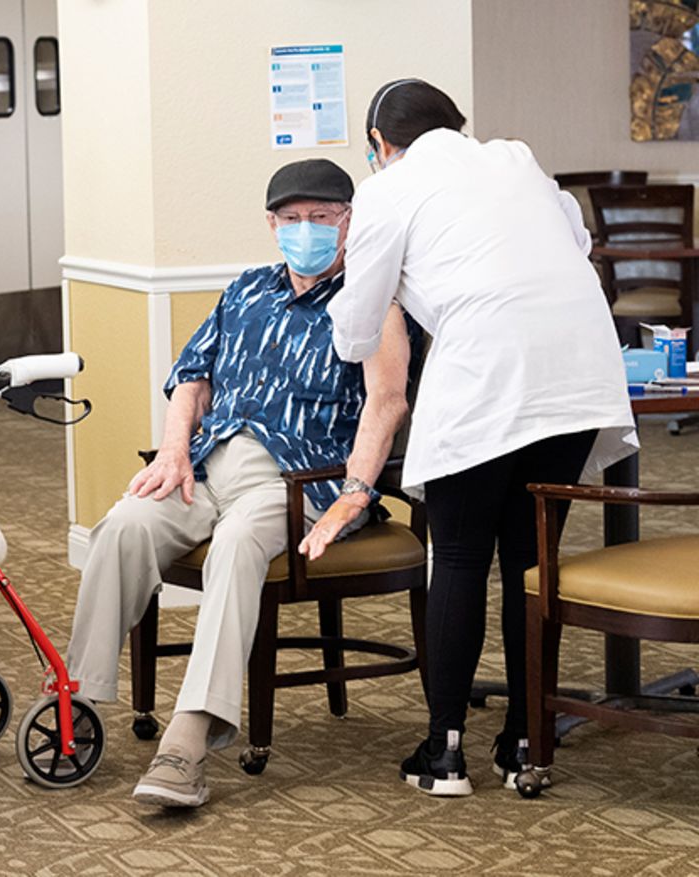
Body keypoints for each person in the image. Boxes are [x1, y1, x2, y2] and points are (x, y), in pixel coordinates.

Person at [313, 79, 636, 797]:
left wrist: (397, 295)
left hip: (488, 377)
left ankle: (445, 752)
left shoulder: (390, 192)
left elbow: (354, 329)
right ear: (458, 125)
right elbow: (575, 243)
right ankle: (527, 739)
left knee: (457, 556)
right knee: (530, 556)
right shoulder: (517, 158)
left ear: (379, 145)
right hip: (577, 376)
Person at [66, 159, 418, 808]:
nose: (305, 229)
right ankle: (73, 704)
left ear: (350, 221)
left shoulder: (371, 303)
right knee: (121, 526)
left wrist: (355, 493)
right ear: (271, 223)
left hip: (295, 483)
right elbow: (190, 378)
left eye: (321, 217)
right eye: (291, 219)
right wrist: (174, 451)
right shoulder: (246, 290)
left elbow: (386, 401)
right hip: (206, 464)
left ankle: (187, 742)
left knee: (235, 549)